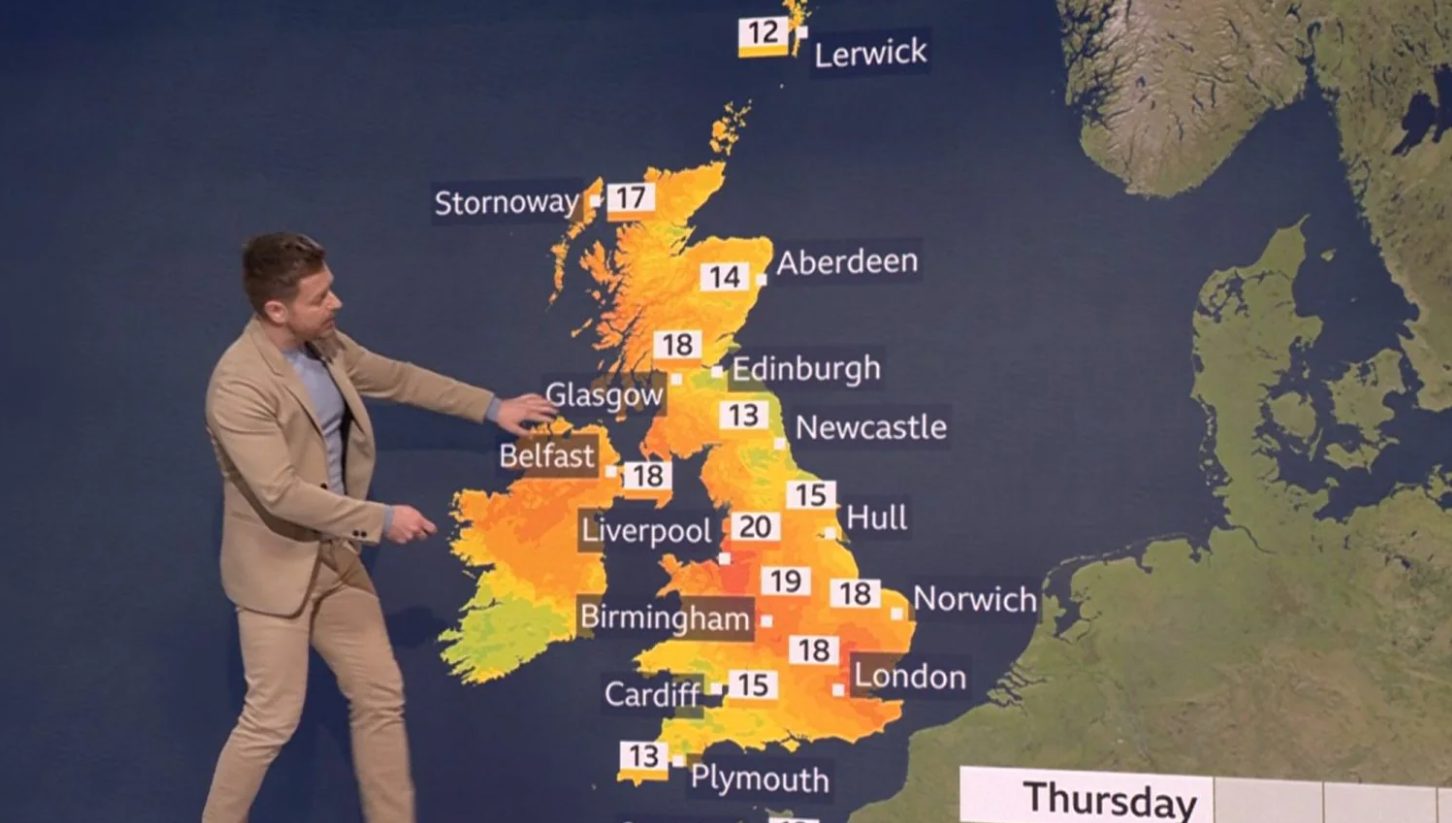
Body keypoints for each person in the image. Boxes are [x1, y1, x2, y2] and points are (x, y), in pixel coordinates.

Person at [199, 231, 556, 823]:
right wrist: (381, 520)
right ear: (277, 310)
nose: (335, 303)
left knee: (380, 695)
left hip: (336, 563)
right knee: (271, 720)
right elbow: (280, 492)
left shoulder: (324, 345)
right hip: (275, 575)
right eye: (320, 297)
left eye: (331, 289)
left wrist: (494, 407)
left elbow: (398, 378)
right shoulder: (238, 385)